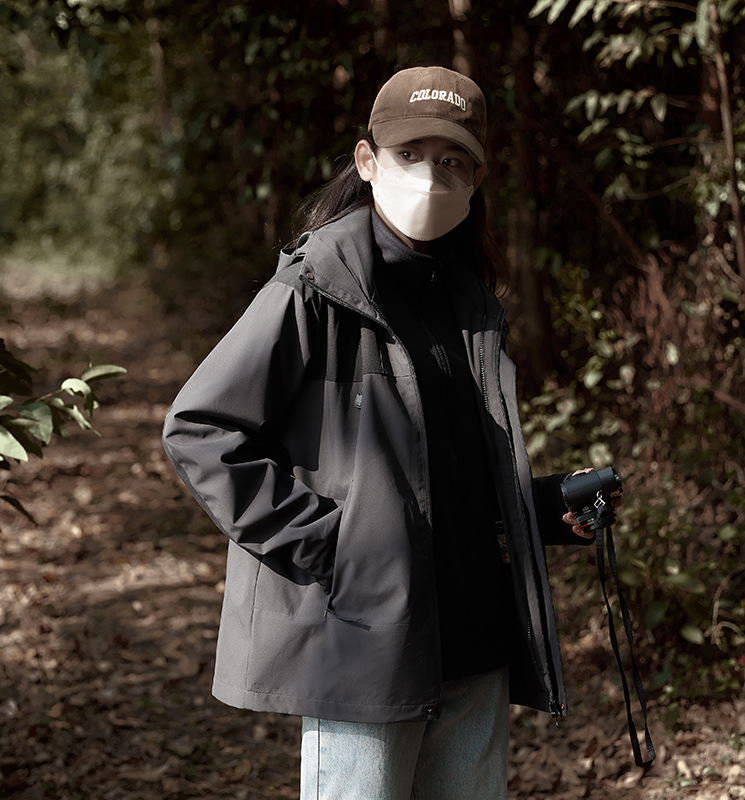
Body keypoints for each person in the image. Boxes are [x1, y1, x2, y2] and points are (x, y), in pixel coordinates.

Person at [162, 65, 596, 800]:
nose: (432, 174)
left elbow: (439, 471)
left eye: (452, 158)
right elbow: (201, 430)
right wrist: (333, 545)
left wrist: (542, 505)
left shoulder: (468, 301)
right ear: (367, 162)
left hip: (477, 641)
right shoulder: (313, 288)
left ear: (478, 175)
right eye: (410, 154)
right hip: (364, 643)